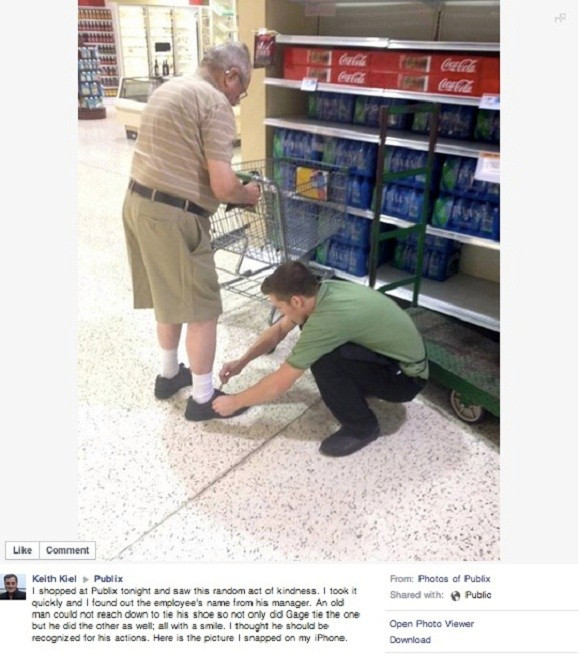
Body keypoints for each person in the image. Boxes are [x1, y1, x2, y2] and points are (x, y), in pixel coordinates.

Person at [122, 42, 260, 421]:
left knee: (168, 297)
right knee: (202, 309)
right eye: (242, 88)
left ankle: (169, 375)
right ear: (230, 75)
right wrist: (245, 194)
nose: (239, 98)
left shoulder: (171, 88)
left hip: (138, 203)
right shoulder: (215, 103)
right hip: (173, 217)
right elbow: (223, 185)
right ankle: (202, 399)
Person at [212, 261, 429, 457]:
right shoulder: (321, 291)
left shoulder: (326, 320)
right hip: (394, 359)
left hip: (406, 380)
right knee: (321, 343)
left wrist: (235, 402)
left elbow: (281, 381)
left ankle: (362, 428)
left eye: (279, 307)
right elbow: (278, 331)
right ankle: (361, 388)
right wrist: (242, 361)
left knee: (324, 360)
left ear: (295, 300)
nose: (279, 311)